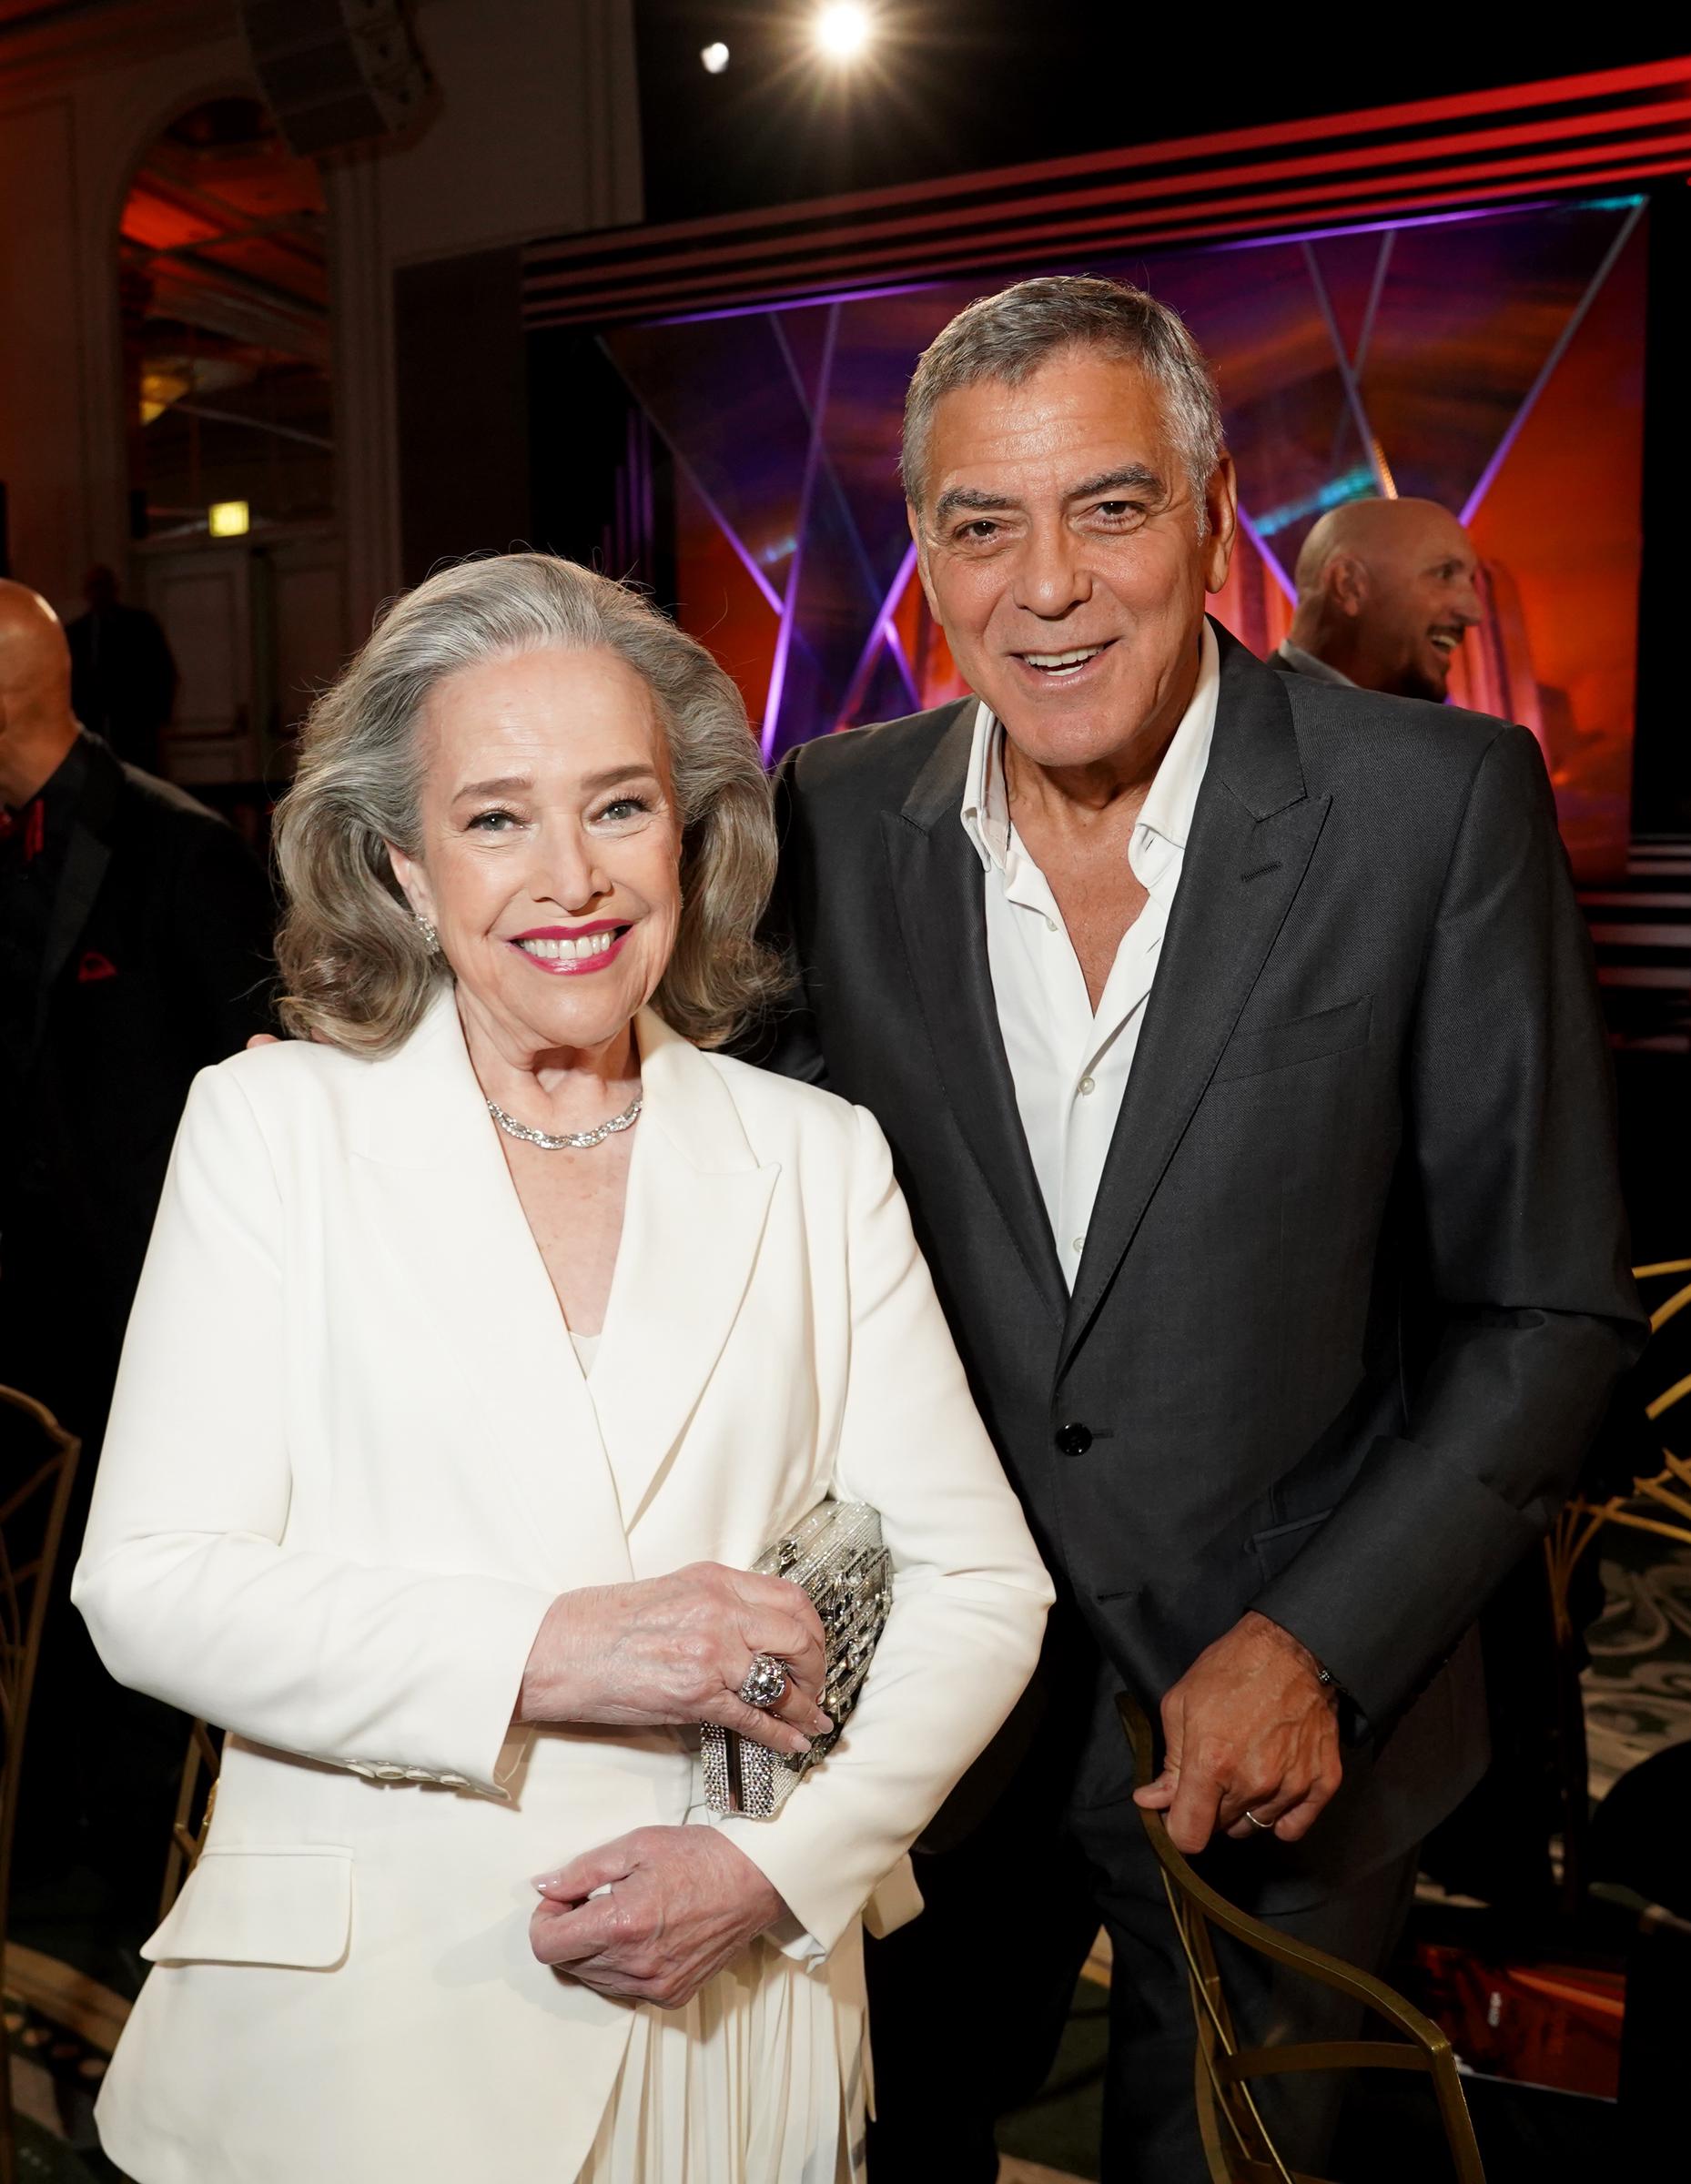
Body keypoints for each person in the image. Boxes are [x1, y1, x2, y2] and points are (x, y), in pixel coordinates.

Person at [762, 276, 1644, 2181]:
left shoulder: (1429, 805)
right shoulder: (829, 818)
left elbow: (1546, 1314)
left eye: (1108, 507)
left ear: (1209, 511)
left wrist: (1320, 1643)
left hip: (1286, 1726)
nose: (1046, 587)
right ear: (921, 555)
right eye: (981, 527)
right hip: (931, 1706)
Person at [71, 551, 1052, 2184]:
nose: (572, 878)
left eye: (617, 807)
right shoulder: (271, 1130)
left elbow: (981, 1585)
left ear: (689, 833)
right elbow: (152, 1584)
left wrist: (780, 1872)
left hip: (731, 2027)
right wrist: (557, 1653)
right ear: (401, 860)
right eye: (495, 818)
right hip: (373, 2035)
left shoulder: (815, 1155)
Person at [0, 577, 274, 1928]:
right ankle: (41, 1854)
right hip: (24, 1313)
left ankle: (131, 1888)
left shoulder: (179, 850)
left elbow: (262, 1087)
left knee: (140, 1606)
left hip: (152, 1314)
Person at [1267, 496, 1482, 700]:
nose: (1474, 614)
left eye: (1471, 579)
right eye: (1444, 574)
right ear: (1349, 585)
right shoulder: (1256, 719)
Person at [66, 563, 179, 777]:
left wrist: (158, 719)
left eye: (103, 586)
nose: (98, 593)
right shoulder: (76, 633)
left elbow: (163, 673)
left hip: (135, 727)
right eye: (93, 587)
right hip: (91, 729)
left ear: (114, 589)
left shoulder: (140, 625)